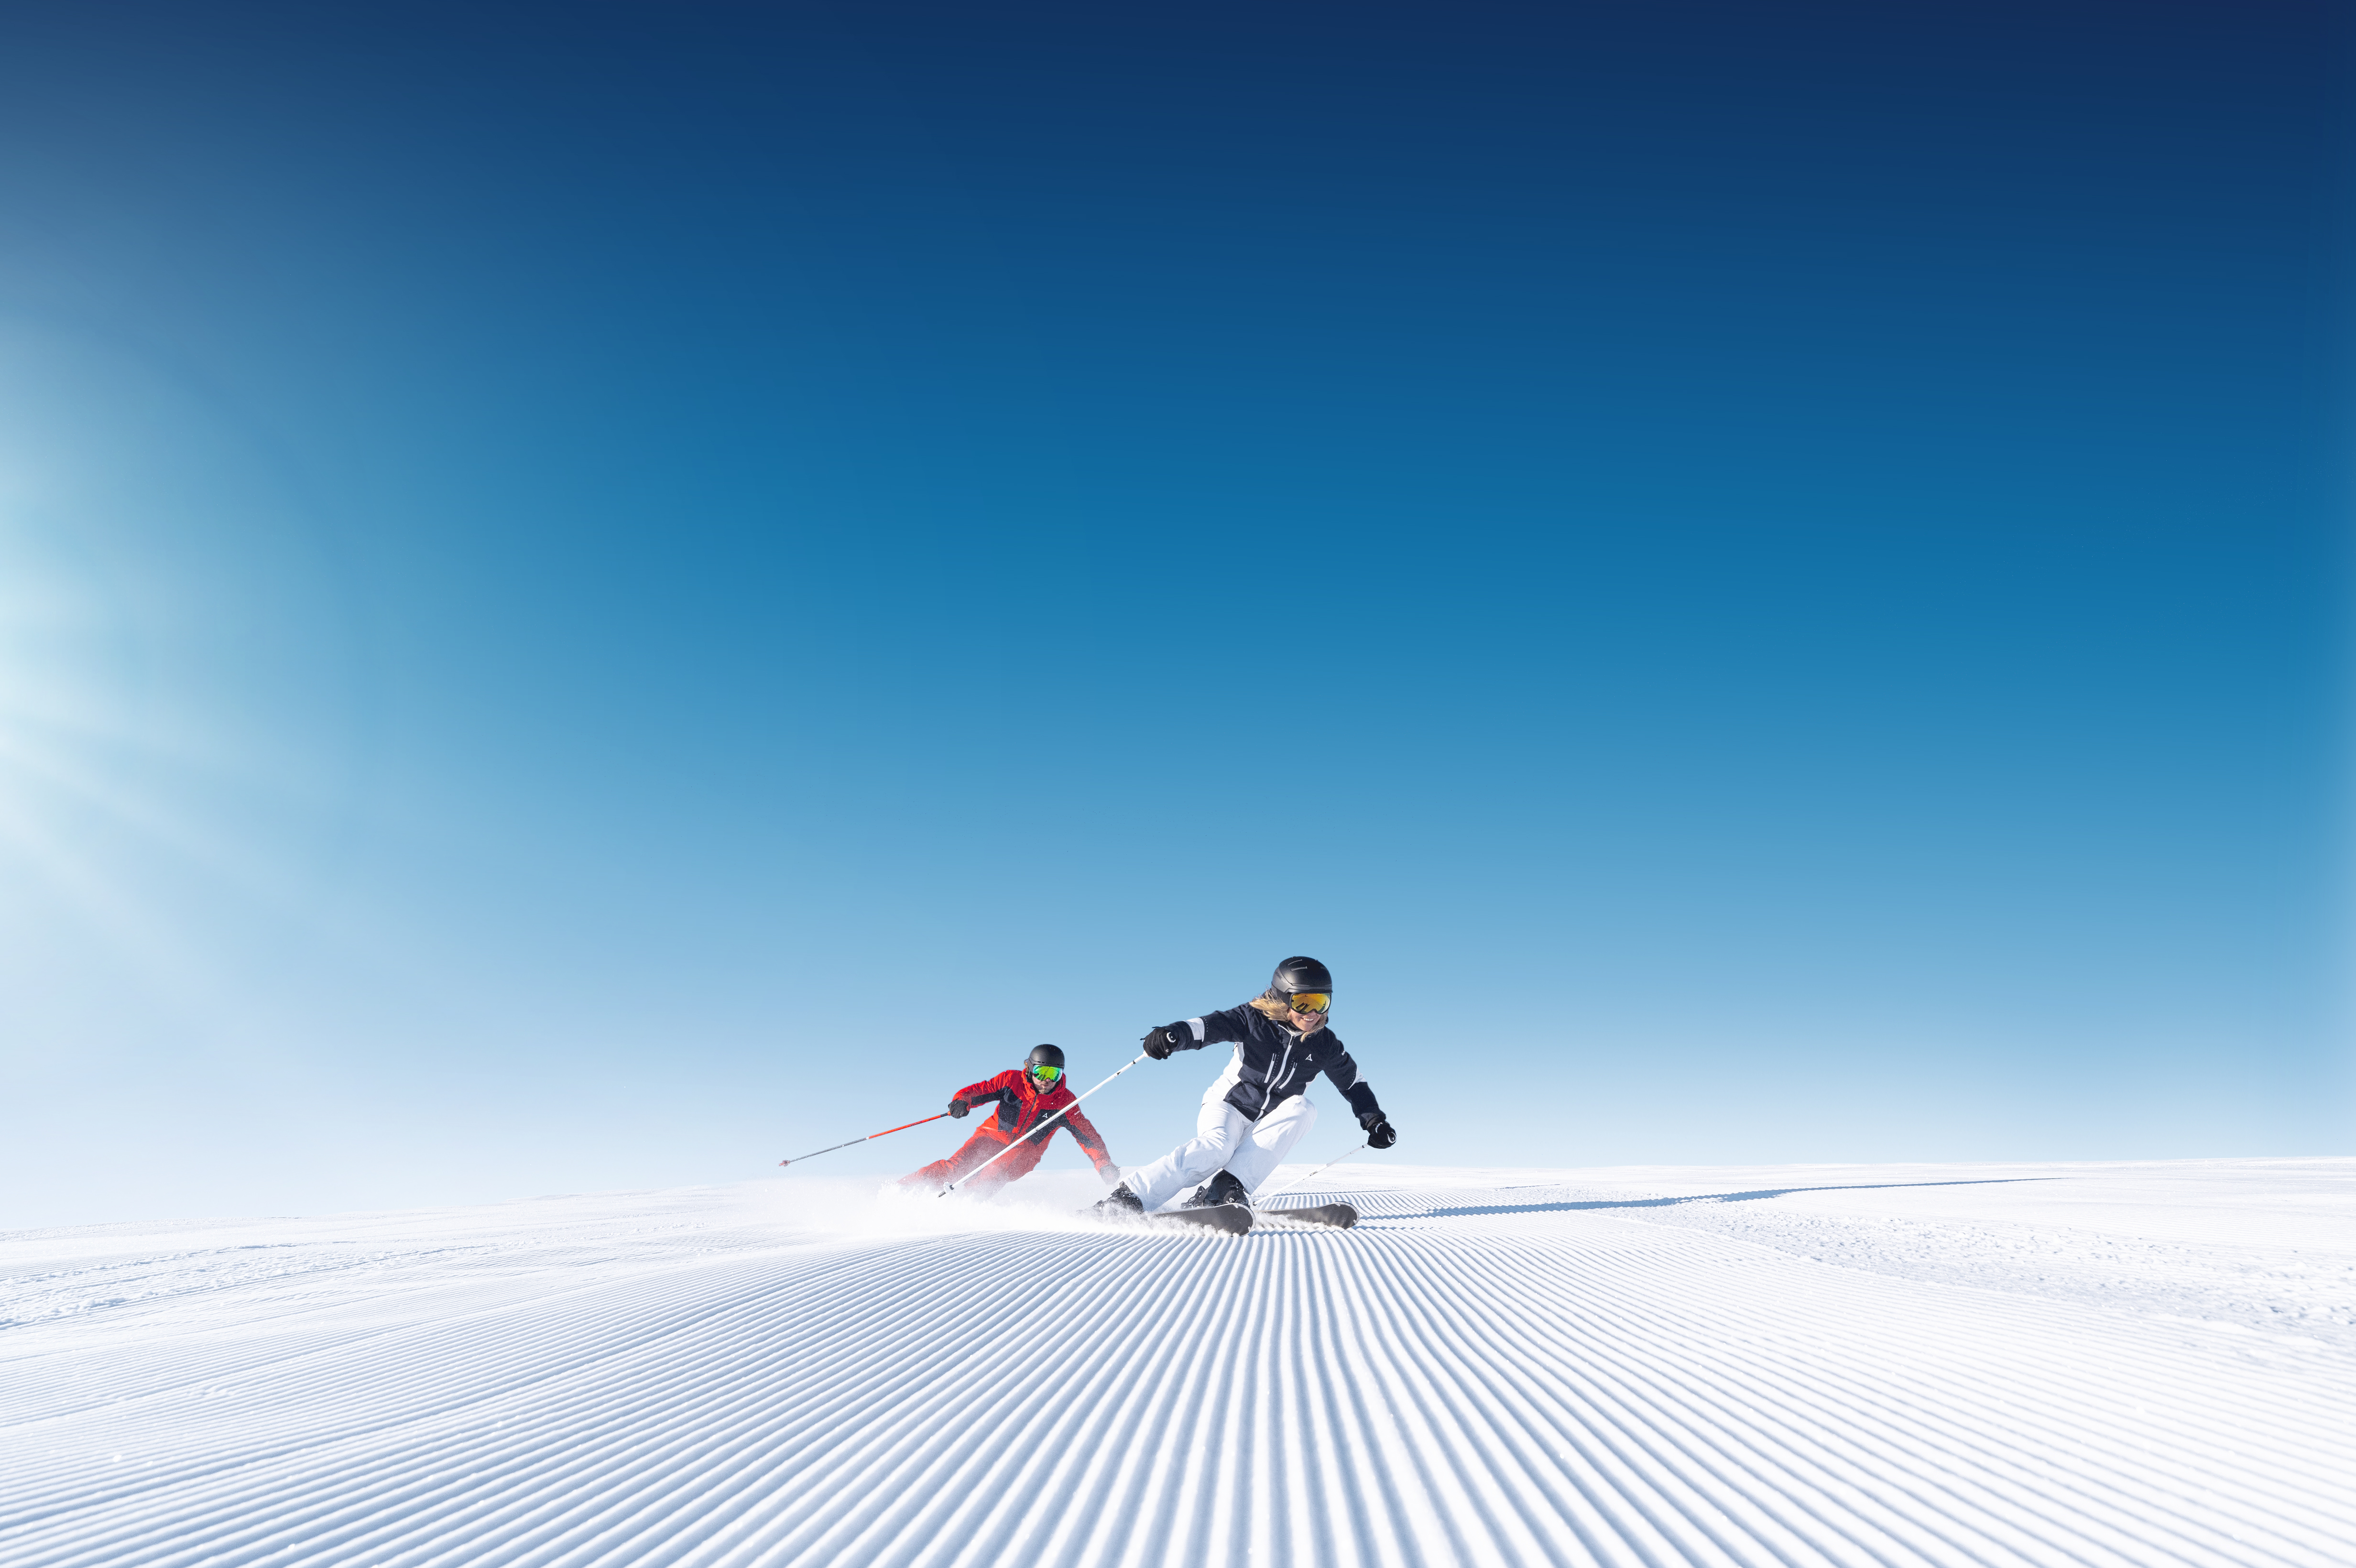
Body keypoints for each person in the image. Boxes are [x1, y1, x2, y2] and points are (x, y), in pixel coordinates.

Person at [1097, 956, 1396, 1216]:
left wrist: (1375, 1121)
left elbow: (1353, 1083)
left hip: (1268, 1122)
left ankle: (1225, 1189)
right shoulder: (1254, 1019)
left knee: (1304, 1108)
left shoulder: (1325, 1044)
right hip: (1229, 1106)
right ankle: (1128, 1197)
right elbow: (1210, 1026)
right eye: (1303, 1002)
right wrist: (1174, 1034)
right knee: (1217, 1148)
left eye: (1321, 1002)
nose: (1312, 1013)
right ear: (1283, 998)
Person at [901, 1044, 1121, 1197]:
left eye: (1054, 1074)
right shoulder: (1011, 1080)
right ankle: (903, 1190)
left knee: (995, 1171)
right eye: (1041, 1072)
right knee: (955, 1167)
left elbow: (1088, 1136)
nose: (1047, 1080)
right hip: (991, 1136)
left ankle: (965, 1203)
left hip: (1025, 1150)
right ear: (1030, 1068)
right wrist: (962, 1101)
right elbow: (980, 1090)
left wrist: (1104, 1164)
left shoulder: (1065, 1102)